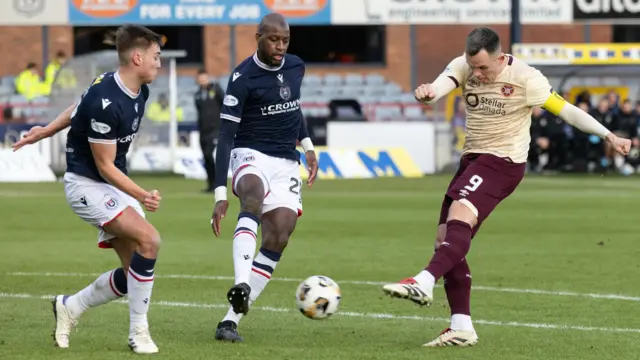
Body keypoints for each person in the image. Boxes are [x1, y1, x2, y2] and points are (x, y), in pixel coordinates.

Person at [381, 27, 631, 348]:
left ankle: (424, 280)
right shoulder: (464, 65)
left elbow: (567, 111)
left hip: (504, 161)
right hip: (472, 161)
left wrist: (610, 135)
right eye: (474, 68)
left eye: (484, 68)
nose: (478, 74)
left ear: (500, 58)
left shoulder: (527, 78)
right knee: (446, 239)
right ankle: (461, 327)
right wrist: (429, 91)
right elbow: (442, 85)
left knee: (460, 213)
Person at [12, 25, 164, 354]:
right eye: (156, 56)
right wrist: (142, 194)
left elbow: (76, 108)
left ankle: (72, 305)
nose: (159, 63)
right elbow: (105, 165)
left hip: (110, 182)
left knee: (133, 274)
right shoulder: (106, 101)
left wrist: (44, 131)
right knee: (150, 240)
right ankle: (139, 332)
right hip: (87, 185)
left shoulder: (134, 88)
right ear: (137, 57)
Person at [210, 12, 318, 343]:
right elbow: (226, 136)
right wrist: (219, 194)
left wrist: (309, 145)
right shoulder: (242, 78)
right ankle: (241, 281)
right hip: (249, 153)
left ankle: (229, 321)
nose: (280, 46)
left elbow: (294, 108)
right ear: (258, 37)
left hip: (286, 160)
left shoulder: (296, 67)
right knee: (252, 197)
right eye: (273, 39)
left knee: (280, 235)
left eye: (285, 40)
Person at [194, 69, 224, 192]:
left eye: (204, 79)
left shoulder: (216, 90)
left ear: (208, 78)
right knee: (206, 157)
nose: (202, 82)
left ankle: (218, 184)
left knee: (209, 154)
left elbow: (225, 104)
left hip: (215, 129)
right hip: (203, 130)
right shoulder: (197, 94)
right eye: (200, 80)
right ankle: (211, 185)